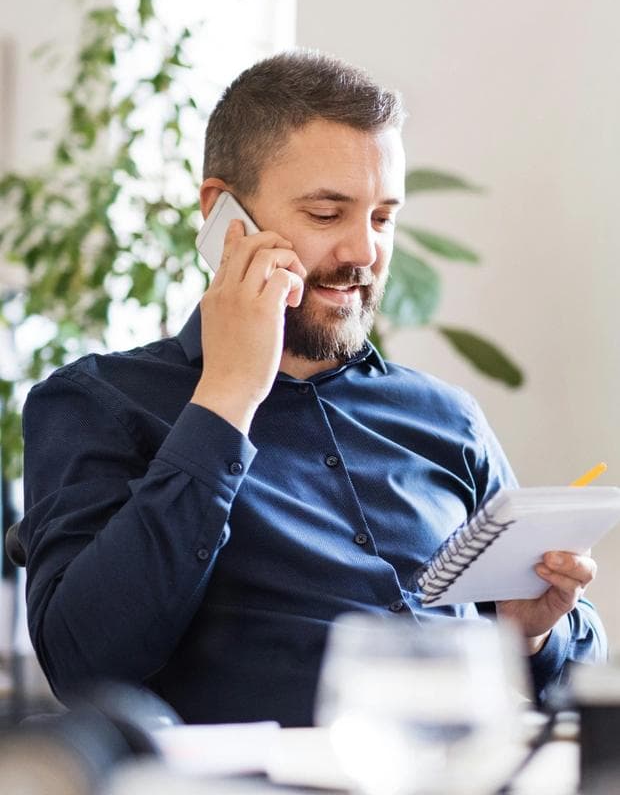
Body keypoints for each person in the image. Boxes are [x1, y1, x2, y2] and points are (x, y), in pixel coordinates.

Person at [21, 51, 605, 727]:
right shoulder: (99, 402)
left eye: (382, 218)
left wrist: (531, 632)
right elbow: (83, 664)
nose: (364, 252)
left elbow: (581, 682)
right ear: (223, 215)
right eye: (328, 215)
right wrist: (228, 397)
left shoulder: (448, 419)